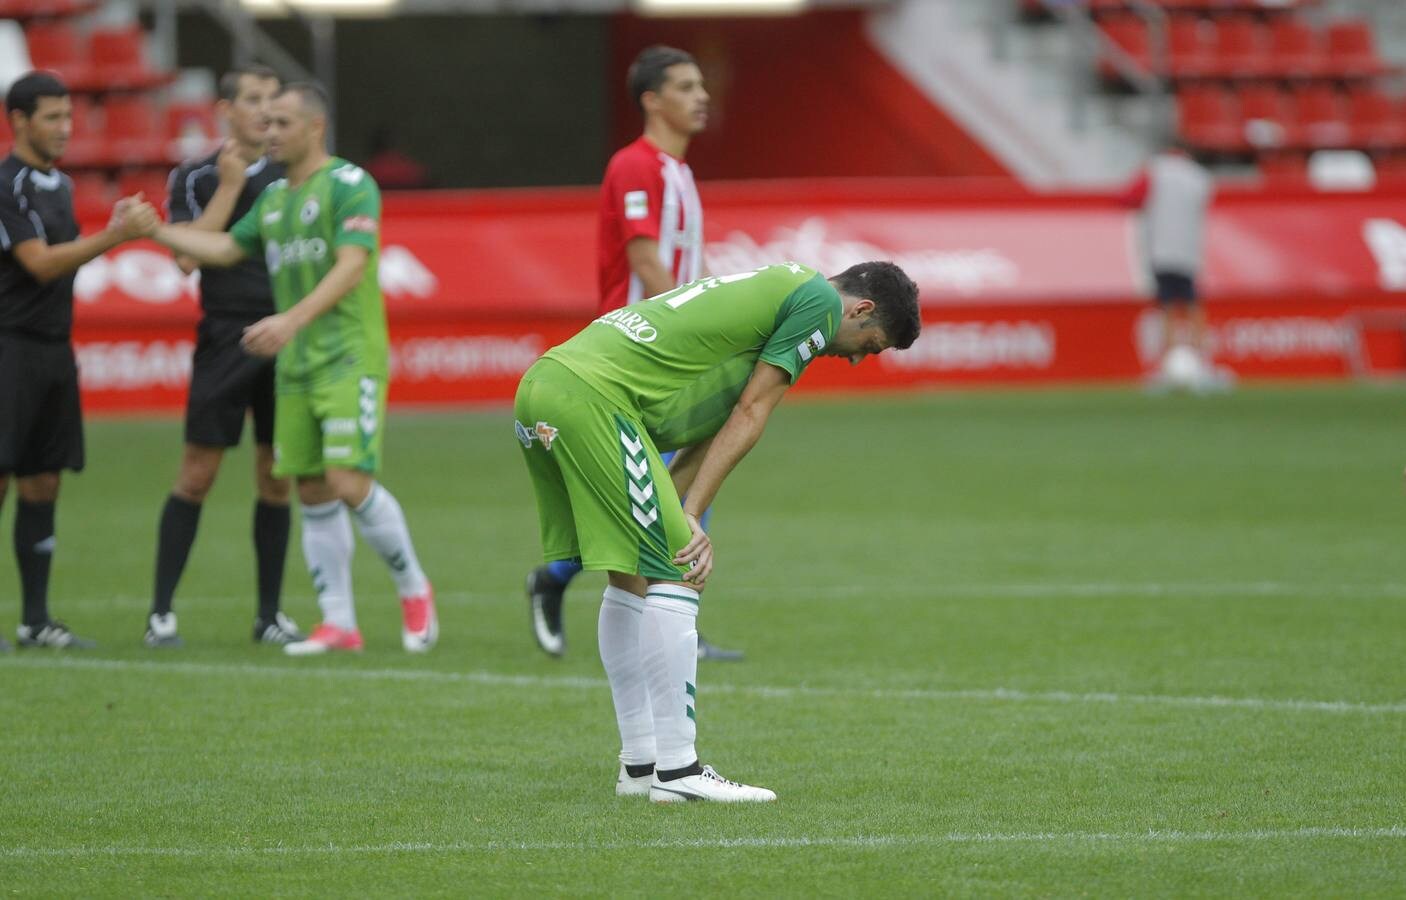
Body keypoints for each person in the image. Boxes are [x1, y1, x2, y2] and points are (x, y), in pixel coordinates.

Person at [514, 260, 921, 802]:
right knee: (682, 570)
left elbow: (724, 417)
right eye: (868, 345)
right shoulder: (819, 306)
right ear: (861, 309)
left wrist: (682, 507)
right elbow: (752, 413)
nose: (851, 358)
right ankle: (678, 773)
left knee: (631, 576)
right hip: (593, 399)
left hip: (547, 385)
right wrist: (690, 519)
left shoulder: (779, 294)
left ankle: (640, 766)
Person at [132, 82, 436, 656]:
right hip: (295, 365)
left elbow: (351, 266)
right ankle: (338, 622)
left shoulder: (349, 184)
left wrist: (289, 321)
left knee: (348, 481)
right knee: (312, 489)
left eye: (280, 123)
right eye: (264, 122)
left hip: (347, 356)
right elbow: (221, 251)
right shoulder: (272, 202)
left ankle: (413, 588)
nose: (268, 132)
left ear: (314, 127)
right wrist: (152, 231)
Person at [525, 45, 741, 661]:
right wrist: (699, 334)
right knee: (654, 490)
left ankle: (666, 618)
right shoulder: (634, 165)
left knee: (680, 484)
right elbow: (646, 259)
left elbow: (687, 267)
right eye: (685, 86)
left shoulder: (680, 171)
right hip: (640, 359)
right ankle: (573, 583)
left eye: (702, 85)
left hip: (676, 358)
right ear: (652, 100)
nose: (701, 96)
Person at [145, 64, 304, 649]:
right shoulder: (195, 177)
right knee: (197, 474)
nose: (265, 110)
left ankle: (269, 615)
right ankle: (161, 612)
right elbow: (188, 259)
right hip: (225, 338)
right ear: (225, 110)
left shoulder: (293, 177)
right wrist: (232, 186)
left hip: (283, 334)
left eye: (273, 99)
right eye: (254, 99)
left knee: (275, 477)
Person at [0, 71, 152, 649]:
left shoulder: (59, 187)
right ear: (19, 121)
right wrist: (116, 235)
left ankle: (35, 621)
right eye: (52, 118)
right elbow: (39, 263)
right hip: (8, 348)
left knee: (43, 485)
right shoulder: (6, 185)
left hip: (53, 354)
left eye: (69, 117)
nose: (66, 129)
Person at [1122, 138, 1219, 389]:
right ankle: (1202, 362)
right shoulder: (1199, 177)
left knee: (1166, 307)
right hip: (1188, 250)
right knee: (1192, 305)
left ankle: (1169, 363)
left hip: (1161, 249)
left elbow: (1128, 199)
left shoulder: (1154, 171)